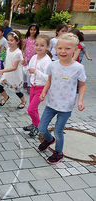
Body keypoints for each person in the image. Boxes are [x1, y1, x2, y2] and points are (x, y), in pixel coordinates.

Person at [38, 33, 86, 165]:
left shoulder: (78, 68)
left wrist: (80, 100)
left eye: (67, 48)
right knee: (41, 127)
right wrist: (43, 92)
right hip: (51, 103)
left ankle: (59, 152)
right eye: (60, 48)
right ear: (56, 49)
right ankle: (48, 140)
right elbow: (49, 80)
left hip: (66, 106)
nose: (63, 51)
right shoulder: (52, 65)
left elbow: (82, 85)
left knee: (59, 131)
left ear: (75, 50)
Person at [21, 35, 52, 137]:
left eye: (42, 45)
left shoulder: (47, 61)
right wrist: (25, 65)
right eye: (36, 45)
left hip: (41, 88)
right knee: (33, 109)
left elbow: (48, 78)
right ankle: (34, 124)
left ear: (47, 46)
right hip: (32, 87)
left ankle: (38, 126)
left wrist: (36, 72)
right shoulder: (34, 57)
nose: (38, 47)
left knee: (30, 109)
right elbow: (29, 73)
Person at [0, 30, 26, 109]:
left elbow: (14, 67)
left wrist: (2, 70)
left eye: (11, 40)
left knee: (17, 92)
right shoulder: (8, 49)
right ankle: (6, 97)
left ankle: (23, 101)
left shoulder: (18, 53)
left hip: (15, 75)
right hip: (7, 74)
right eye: (8, 40)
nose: (9, 42)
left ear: (17, 41)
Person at [22, 23, 40, 93]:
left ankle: (30, 85)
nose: (32, 31)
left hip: (33, 58)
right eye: (31, 29)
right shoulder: (27, 39)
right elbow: (23, 48)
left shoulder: (37, 40)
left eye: (34, 30)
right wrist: (23, 53)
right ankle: (25, 82)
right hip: (26, 57)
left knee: (31, 71)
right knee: (25, 70)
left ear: (37, 31)